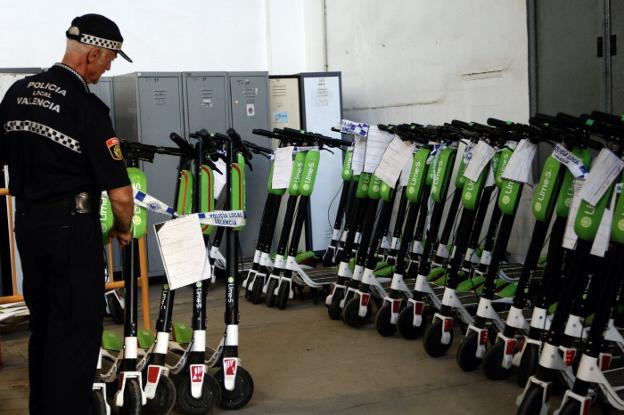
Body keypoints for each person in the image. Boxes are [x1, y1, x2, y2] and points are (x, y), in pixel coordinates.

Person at [0, 14, 134, 414]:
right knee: (75, 333)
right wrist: (123, 229)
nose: (109, 66)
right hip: (71, 231)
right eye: (109, 58)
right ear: (93, 53)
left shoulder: (17, 93)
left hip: (28, 225)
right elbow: (122, 195)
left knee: (43, 326)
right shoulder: (87, 108)